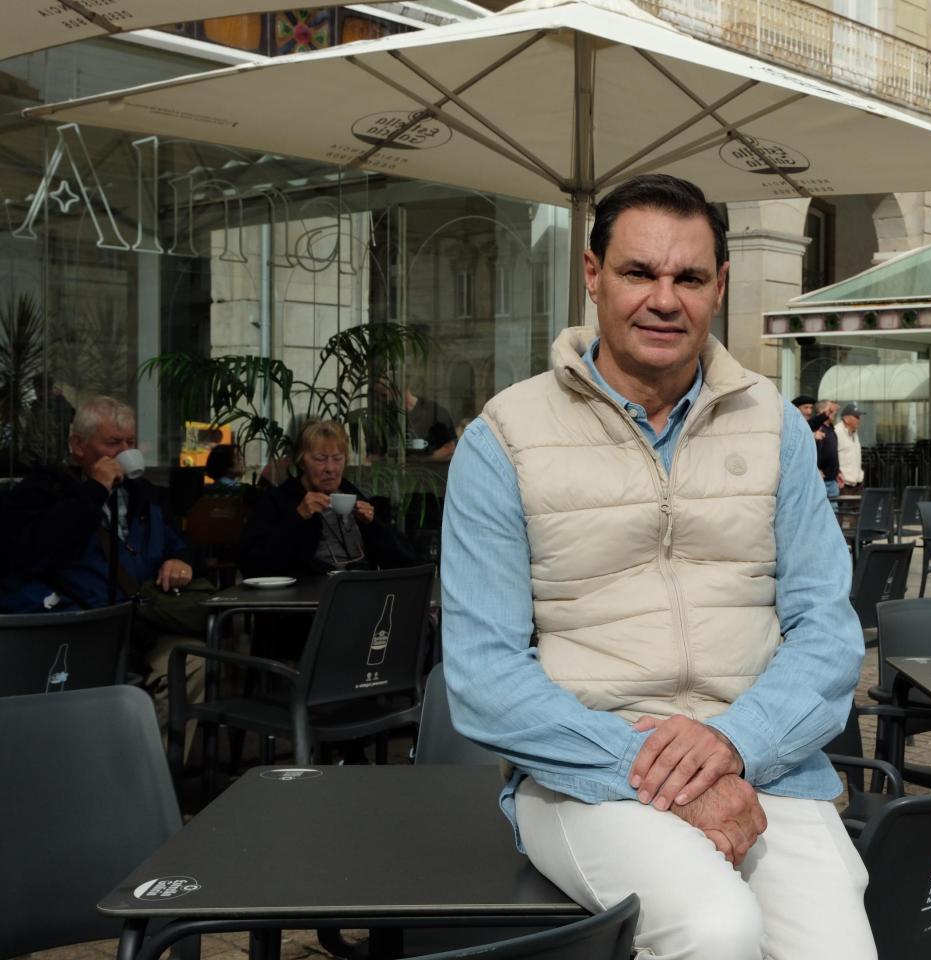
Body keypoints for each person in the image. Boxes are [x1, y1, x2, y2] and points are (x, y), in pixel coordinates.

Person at [439, 174, 874, 960]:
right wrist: (646, 762)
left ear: (721, 286)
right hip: (581, 771)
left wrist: (734, 742)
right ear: (593, 274)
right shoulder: (503, 437)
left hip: (761, 759)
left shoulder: (774, 426)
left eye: (690, 278)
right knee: (716, 930)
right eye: (639, 272)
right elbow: (483, 675)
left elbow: (829, 633)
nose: (664, 300)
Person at [0, 396, 203, 719]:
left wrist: (181, 558)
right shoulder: (44, 490)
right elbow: (32, 549)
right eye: (112, 443)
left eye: (130, 443)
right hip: (74, 630)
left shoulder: (144, 495)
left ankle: (149, 753)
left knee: (193, 664)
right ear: (78, 445)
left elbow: (177, 541)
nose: (124, 452)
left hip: (138, 627)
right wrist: (95, 490)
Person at [238, 420, 416, 578]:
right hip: (308, 598)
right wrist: (298, 517)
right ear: (301, 462)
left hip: (360, 591)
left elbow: (406, 562)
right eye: (320, 459)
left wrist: (373, 525)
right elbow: (252, 566)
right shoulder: (279, 500)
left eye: (337, 459)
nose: (330, 468)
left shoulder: (353, 496)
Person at [834, 403, 864, 492]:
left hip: (857, 483)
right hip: (843, 483)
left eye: (859, 417)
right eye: (856, 417)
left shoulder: (855, 432)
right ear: (846, 418)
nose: (859, 420)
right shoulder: (836, 432)